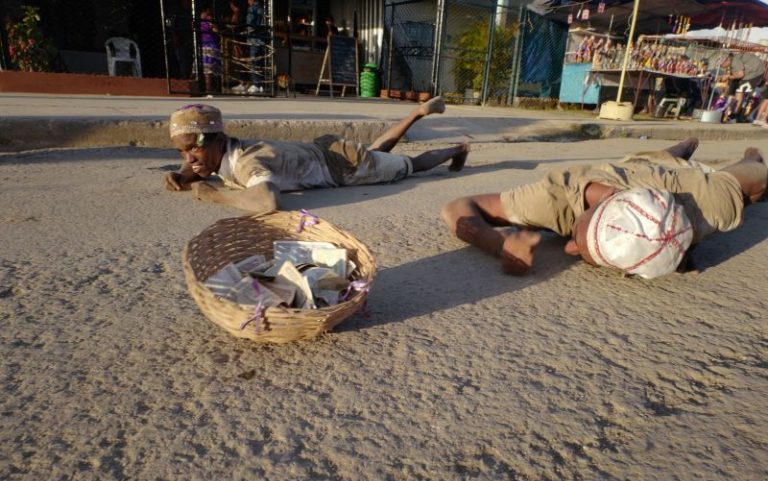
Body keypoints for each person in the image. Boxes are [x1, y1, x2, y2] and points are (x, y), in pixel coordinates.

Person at [441, 138, 767, 279]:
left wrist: (754, 164)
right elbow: (455, 207)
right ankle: (675, 152)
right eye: (577, 239)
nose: (567, 248)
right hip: (631, 171)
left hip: (677, 185)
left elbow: (757, 178)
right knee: (651, 161)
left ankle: (676, 155)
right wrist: (498, 245)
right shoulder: (555, 197)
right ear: (602, 201)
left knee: (752, 186)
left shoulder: (706, 207)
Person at [164, 99, 470, 213]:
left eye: (193, 148)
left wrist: (213, 195)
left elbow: (267, 200)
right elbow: (199, 164)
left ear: (219, 140)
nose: (189, 158)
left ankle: (459, 149)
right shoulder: (225, 150)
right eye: (182, 151)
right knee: (377, 154)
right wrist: (184, 175)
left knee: (410, 166)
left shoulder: (247, 162)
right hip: (326, 151)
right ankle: (416, 113)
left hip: (342, 167)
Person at [721, 52, 766, 122]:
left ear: (727, 60)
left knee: (739, 90)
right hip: (754, 71)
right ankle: (735, 113)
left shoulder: (735, 61)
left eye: (721, 64)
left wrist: (728, 77)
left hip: (755, 74)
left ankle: (734, 114)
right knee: (737, 87)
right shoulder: (735, 60)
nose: (721, 66)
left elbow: (741, 75)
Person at [199, 5, 221, 93]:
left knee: (207, 69)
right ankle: (209, 88)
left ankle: (209, 87)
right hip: (210, 44)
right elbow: (216, 30)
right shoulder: (208, 17)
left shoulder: (200, 18)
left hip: (204, 44)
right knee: (210, 69)